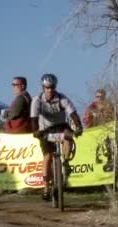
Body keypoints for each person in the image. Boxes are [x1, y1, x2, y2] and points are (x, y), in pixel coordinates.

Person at [31, 73, 83, 201]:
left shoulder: (62, 98)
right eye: (47, 88)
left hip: (60, 125)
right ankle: (46, 187)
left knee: (69, 138)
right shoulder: (37, 100)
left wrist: (79, 126)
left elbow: (73, 114)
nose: (50, 90)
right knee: (47, 157)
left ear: (55, 87)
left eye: (52, 87)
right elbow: (33, 118)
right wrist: (36, 131)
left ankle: (65, 162)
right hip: (45, 129)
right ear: (43, 88)